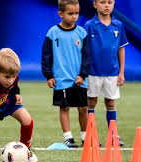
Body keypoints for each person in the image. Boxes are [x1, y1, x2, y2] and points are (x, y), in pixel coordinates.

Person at [41, 0, 91, 148]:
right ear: (60, 14)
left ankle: (85, 137)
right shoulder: (52, 33)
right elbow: (46, 56)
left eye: (76, 13)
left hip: (79, 80)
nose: (74, 16)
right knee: (64, 108)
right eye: (70, 13)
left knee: (83, 108)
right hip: (61, 80)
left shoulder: (81, 33)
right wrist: (49, 75)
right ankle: (68, 137)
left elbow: (87, 56)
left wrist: (83, 74)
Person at [84, 0, 128, 146]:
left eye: (110, 2)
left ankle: (113, 135)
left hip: (112, 73)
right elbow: (84, 51)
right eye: (102, 2)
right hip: (93, 72)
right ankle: (90, 135)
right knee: (91, 102)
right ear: (95, 4)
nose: (107, 5)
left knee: (110, 103)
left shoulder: (118, 25)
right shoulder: (89, 25)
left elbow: (121, 49)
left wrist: (121, 72)